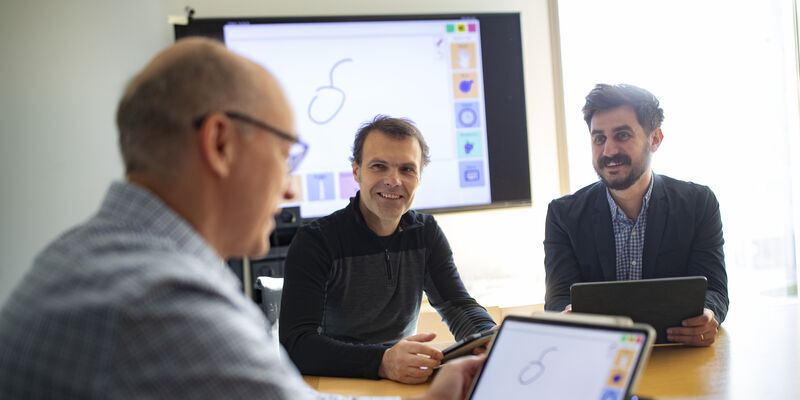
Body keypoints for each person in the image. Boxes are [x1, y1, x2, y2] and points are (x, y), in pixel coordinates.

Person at [0, 38, 485, 400]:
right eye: (284, 155)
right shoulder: (164, 300)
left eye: (407, 169)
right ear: (220, 144)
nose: (292, 187)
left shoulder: (83, 256)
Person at [280, 116, 496, 383]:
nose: (393, 181)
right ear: (356, 171)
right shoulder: (316, 241)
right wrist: (382, 362)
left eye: (407, 169)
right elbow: (297, 345)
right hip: (334, 382)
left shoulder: (425, 232)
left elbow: (458, 306)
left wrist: (491, 337)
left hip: (401, 379)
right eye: (379, 166)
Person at [543, 83, 728, 347]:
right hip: (597, 357)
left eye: (622, 135)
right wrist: (565, 317)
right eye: (599, 139)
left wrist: (710, 315)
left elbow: (715, 290)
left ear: (655, 139)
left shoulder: (699, 204)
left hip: (677, 354)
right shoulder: (563, 216)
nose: (608, 151)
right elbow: (559, 299)